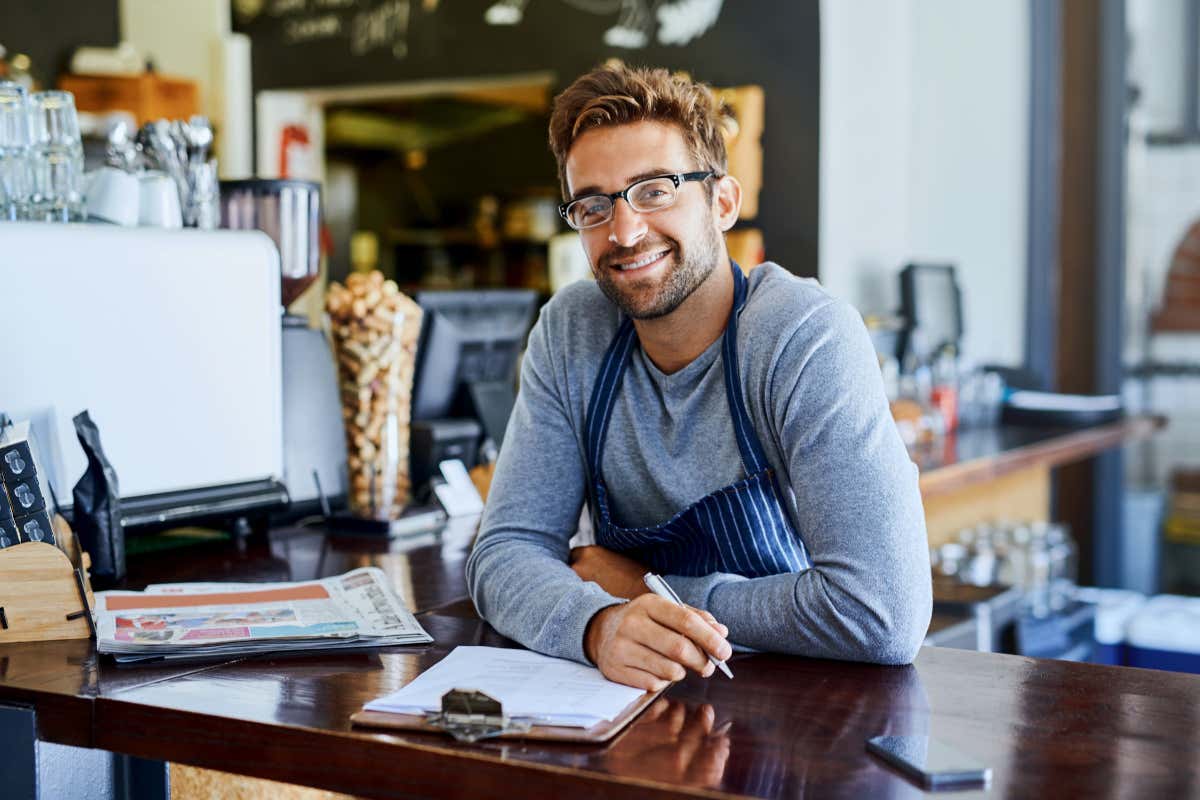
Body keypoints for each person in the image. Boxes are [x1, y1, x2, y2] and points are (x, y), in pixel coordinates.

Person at [466, 63, 931, 691]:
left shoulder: (803, 335)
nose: (624, 231)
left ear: (722, 202)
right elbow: (503, 553)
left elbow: (881, 614)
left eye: (655, 190)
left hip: (806, 706)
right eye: (594, 205)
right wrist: (599, 625)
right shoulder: (572, 330)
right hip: (635, 698)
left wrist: (648, 590)